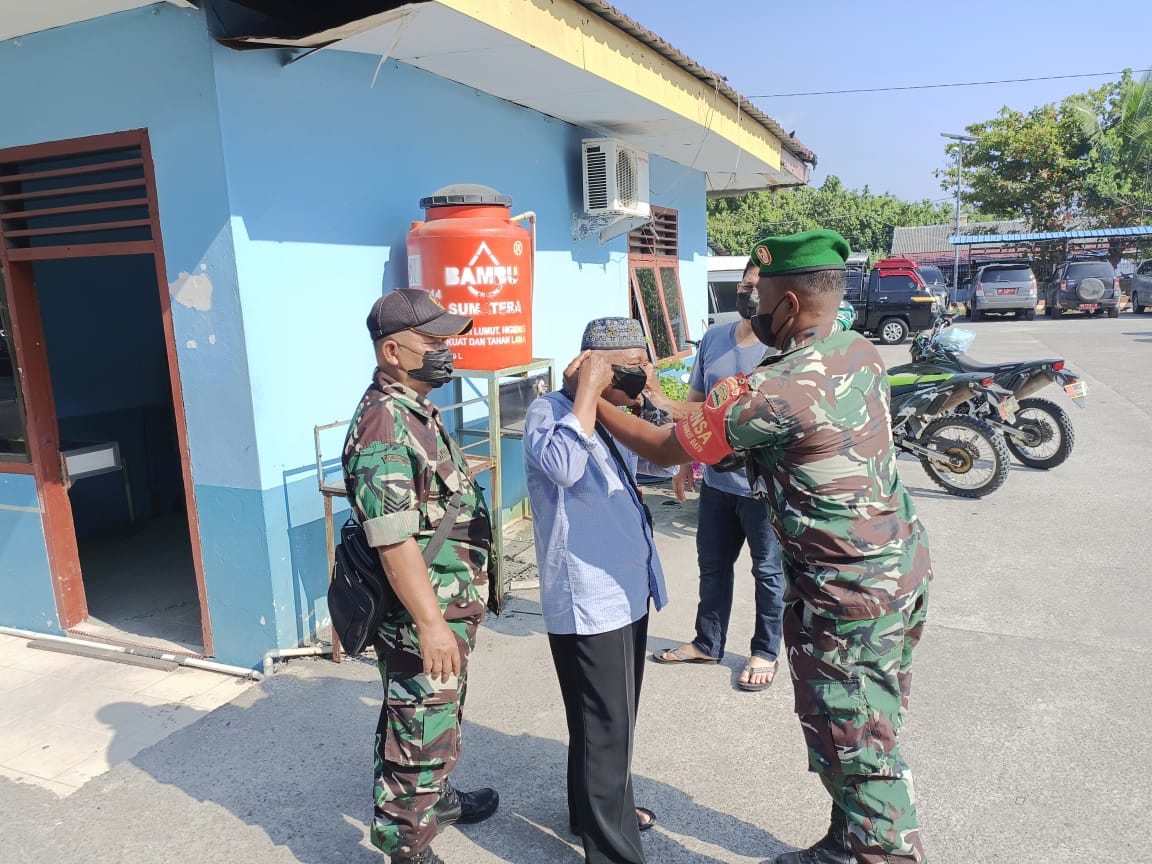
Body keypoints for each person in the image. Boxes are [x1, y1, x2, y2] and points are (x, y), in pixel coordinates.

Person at [580, 231, 932, 864]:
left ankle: (881, 851)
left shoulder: (777, 387)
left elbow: (667, 447)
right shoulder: (857, 351)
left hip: (844, 590)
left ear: (790, 304)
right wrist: (658, 398)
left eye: (757, 297)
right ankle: (842, 845)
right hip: (896, 569)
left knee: (860, 745)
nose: (750, 309)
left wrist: (594, 399)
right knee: (860, 722)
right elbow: (698, 416)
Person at [343, 288, 500, 864]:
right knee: (417, 731)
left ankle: (438, 799)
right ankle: (406, 846)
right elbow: (394, 538)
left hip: (447, 603)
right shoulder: (385, 423)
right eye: (432, 342)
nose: (446, 351)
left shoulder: (414, 407)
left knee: (432, 716)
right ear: (392, 351)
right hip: (421, 615)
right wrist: (431, 624)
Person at [523, 317, 668, 864]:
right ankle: (612, 852)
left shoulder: (611, 414)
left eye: (641, 362)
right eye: (625, 365)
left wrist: (648, 397)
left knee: (609, 723)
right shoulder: (550, 413)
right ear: (591, 365)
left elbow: (652, 465)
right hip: (588, 600)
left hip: (626, 588)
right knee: (604, 727)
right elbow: (562, 467)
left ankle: (591, 814)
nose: (636, 373)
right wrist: (586, 393)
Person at [656, 259, 786, 692]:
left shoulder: (782, 349)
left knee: (768, 572)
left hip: (762, 487)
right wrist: (682, 463)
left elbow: (734, 416)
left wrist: (663, 402)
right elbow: (697, 408)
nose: (747, 293)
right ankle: (707, 642)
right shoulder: (713, 339)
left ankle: (765, 650)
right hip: (716, 482)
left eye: (755, 287)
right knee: (712, 567)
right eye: (743, 284)